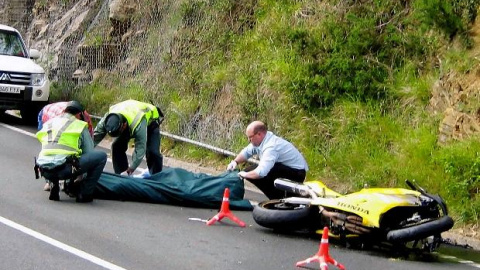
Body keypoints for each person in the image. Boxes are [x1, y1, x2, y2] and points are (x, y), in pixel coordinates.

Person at [35, 101, 107, 202]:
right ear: (79, 114)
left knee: (55, 155)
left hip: (43, 169)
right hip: (64, 169)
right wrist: (81, 177)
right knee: (101, 157)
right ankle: (85, 193)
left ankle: (53, 183)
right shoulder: (79, 125)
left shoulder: (49, 123)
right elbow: (89, 152)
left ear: (64, 111)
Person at [226, 121, 309, 199]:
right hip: (285, 168)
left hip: (297, 173)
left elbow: (261, 172)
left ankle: (280, 198)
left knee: (255, 174)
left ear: (259, 134)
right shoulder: (262, 140)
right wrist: (235, 162)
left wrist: (244, 175)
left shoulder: (271, 147)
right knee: (250, 171)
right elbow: (246, 152)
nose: (248, 140)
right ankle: (277, 197)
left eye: (250, 137)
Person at [93, 99, 164, 176]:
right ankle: (121, 175)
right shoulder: (108, 119)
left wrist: (131, 169)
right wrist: (84, 155)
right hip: (128, 115)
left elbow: (140, 148)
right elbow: (94, 137)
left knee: (153, 152)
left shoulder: (138, 124)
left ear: (124, 125)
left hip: (150, 122)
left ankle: (156, 177)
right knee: (116, 146)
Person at [38, 101, 94, 191]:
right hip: (45, 113)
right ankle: (56, 183)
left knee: (53, 148)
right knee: (55, 148)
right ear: (79, 114)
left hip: (43, 167)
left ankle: (52, 181)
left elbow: (90, 135)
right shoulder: (77, 124)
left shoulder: (51, 121)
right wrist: (82, 174)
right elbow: (89, 152)